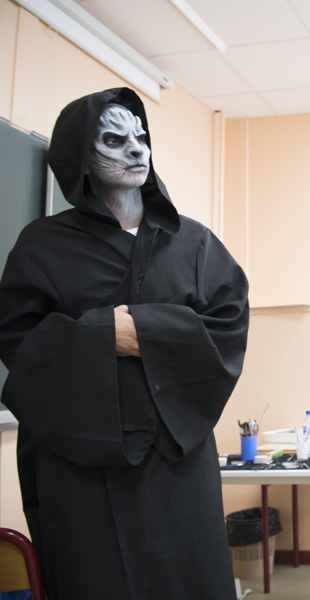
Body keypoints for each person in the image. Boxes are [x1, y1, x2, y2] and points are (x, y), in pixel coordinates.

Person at [0, 88, 250, 598]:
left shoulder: (195, 243)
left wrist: (143, 332)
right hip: (79, 466)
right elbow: (19, 341)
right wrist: (101, 335)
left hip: (177, 460)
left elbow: (228, 325)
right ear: (79, 156)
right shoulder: (42, 245)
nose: (136, 149)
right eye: (113, 140)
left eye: (140, 137)